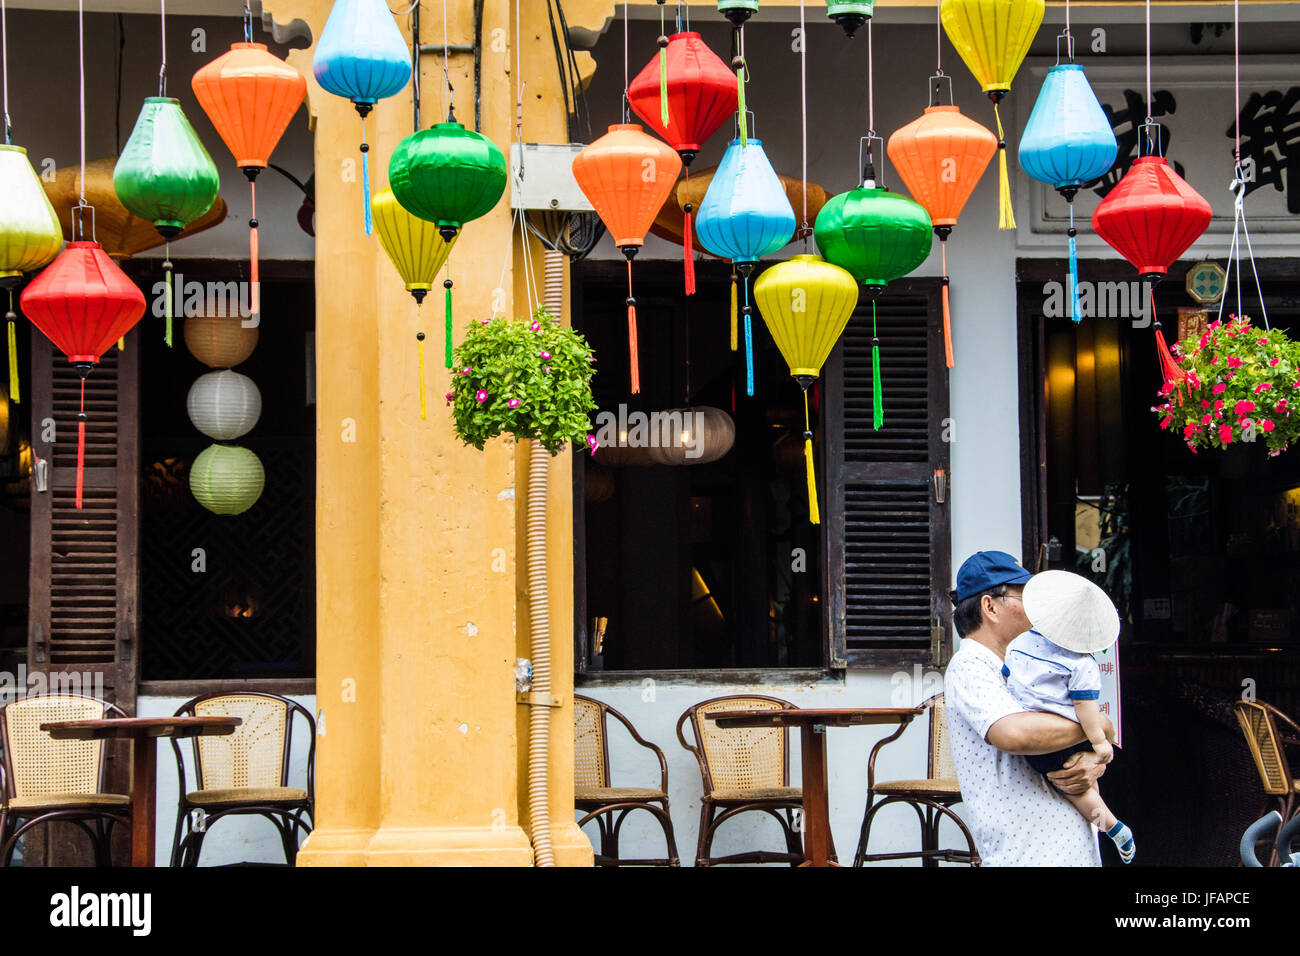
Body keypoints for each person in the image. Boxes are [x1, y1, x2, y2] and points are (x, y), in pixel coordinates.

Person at [943, 551, 1114, 866]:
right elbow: (1014, 733)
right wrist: (1096, 726)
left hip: (1069, 846)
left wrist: (1091, 760)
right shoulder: (971, 664)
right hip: (1026, 852)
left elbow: (1077, 735)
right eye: (1026, 596)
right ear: (990, 606)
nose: (1038, 608)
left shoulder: (1026, 663)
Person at [1002, 570, 1134, 863]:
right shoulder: (1081, 664)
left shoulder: (1019, 643)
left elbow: (1006, 677)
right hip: (1063, 735)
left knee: (1080, 785)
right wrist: (1100, 742)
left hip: (1035, 729)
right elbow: (1086, 709)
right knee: (1080, 786)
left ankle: (1103, 828)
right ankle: (1111, 828)